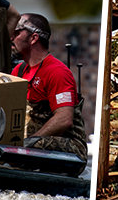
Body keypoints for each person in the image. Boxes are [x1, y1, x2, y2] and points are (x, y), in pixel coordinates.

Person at [10, 13, 87, 161]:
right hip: (29, 142)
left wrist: (29, 142)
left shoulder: (57, 72)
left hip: (71, 149)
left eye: (17, 33)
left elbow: (64, 119)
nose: (11, 38)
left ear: (34, 38)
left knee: (29, 147)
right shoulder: (18, 71)